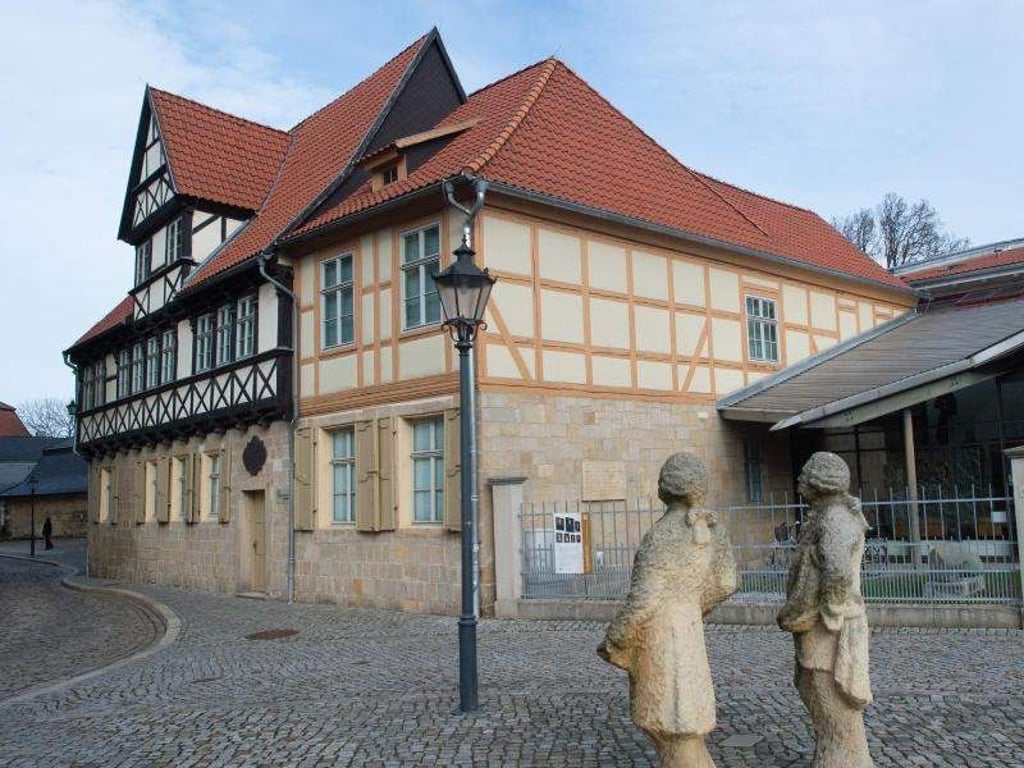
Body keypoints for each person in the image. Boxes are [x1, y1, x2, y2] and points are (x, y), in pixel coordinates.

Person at [598, 452, 737, 768]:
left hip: (661, 636)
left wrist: (617, 635)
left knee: (669, 722)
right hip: (688, 628)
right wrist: (692, 605)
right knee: (682, 724)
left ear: (665, 487)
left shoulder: (661, 535)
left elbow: (645, 598)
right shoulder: (712, 529)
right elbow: (727, 582)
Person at [778, 452, 873, 768]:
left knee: (828, 697)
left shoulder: (834, 520)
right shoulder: (829, 516)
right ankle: (837, 755)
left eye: (804, 475)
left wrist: (830, 612)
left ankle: (842, 759)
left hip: (827, 630)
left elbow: (838, 572)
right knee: (816, 693)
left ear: (817, 482)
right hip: (822, 626)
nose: (799, 481)